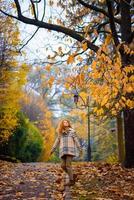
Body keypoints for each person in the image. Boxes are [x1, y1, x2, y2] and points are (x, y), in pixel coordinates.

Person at [50, 119, 83, 186]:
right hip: (63, 151)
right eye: (64, 122)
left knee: (68, 165)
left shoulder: (72, 132)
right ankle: (72, 176)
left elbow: (76, 140)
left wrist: (80, 149)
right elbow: (57, 141)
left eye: (67, 122)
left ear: (68, 123)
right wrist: (52, 149)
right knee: (62, 166)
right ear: (62, 124)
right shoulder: (60, 133)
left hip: (70, 150)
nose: (66, 123)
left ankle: (71, 181)